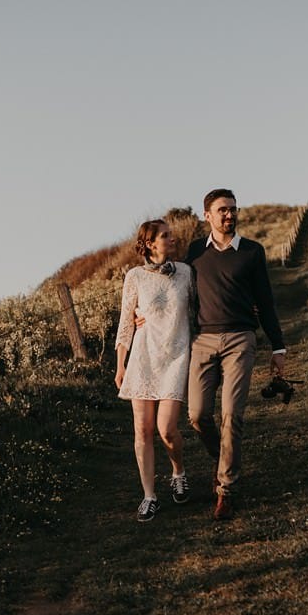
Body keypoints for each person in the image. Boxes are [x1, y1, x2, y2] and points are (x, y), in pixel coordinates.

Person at [185, 188, 285, 520]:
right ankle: (221, 457)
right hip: (203, 341)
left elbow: (266, 301)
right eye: (222, 210)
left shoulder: (252, 252)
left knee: (232, 414)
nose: (229, 215)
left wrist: (278, 347)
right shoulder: (195, 252)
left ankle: (225, 490)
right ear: (207, 216)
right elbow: (178, 293)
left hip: (241, 339)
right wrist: (144, 313)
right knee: (197, 415)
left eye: (233, 209)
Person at [114, 219, 195, 522]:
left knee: (166, 429)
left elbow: (199, 311)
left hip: (176, 355)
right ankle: (149, 496)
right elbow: (126, 321)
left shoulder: (186, 273)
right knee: (143, 431)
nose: (172, 239)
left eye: (170, 234)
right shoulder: (134, 276)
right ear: (149, 244)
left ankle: (178, 471)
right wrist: (120, 363)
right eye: (165, 236)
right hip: (143, 357)